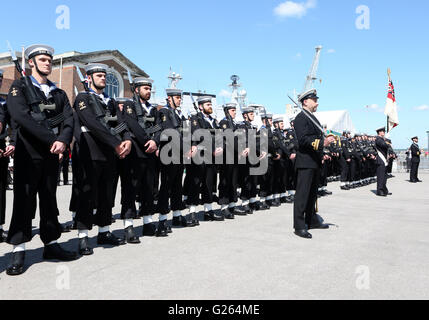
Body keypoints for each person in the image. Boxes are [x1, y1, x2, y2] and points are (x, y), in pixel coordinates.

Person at [5, 44, 77, 276]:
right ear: (31, 63)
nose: (47, 63)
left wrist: (63, 140)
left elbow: (69, 118)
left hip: (52, 155)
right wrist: (51, 139)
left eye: (49, 59)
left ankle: (51, 243)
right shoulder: (19, 87)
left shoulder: (58, 92)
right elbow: (20, 117)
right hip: (28, 153)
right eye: (42, 59)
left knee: (49, 200)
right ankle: (18, 249)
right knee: (24, 202)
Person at [72, 63, 132, 255]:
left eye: (104, 76)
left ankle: (104, 231)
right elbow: (92, 123)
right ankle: (83, 236)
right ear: (89, 78)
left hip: (110, 151)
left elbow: (121, 122)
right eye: (99, 75)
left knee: (107, 193)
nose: (103, 78)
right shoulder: (83, 98)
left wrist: (127, 140)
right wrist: (116, 142)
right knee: (87, 193)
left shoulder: (110, 101)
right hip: (91, 149)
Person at [293, 89, 335, 239]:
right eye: (314, 100)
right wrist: (323, 142)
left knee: (312, 195)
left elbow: (316, 137)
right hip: (305, 162)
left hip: (315, 161)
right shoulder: (300, 118)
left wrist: (323, 148)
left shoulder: (313, 118)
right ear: (305, 101)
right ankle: (299, 226)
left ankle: (311, 220)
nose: (317, 102)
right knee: (302, 195)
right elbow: (303, 140)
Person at [156, 88, 195, 235]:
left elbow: (186, 132)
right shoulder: (164, 112)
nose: (179, 100)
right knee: (166, 186)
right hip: (169, 153)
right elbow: (169, 132)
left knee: (177, 185)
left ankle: (177, 215)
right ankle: (162, 219)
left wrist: (190, 145)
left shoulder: (179, 114)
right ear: (169, 98)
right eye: (177, 97)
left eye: (180, 98)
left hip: (179, 155)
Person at [187, 96, 224, 221]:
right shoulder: (195, 119)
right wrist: (213, 148)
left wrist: (221, 148)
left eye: (210, 104)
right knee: (195, 184)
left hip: (212, 157)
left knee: (209, 184)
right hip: (200, 156)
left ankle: (208, 211)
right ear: (201, 106)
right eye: (207, 104)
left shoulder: (214, 121)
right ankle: (192, 213)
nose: (210, 106)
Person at [0, 69, 15, 242]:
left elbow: (14, 125)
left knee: (1, 190)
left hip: (2, 149)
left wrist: (13, 144)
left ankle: (0, 227)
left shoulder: (4, 103)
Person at [374, 127, 391, 196]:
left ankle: (384, 190)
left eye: (384, 131)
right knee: (381, 176)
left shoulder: (382, 139)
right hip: (381, 160)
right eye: (383, 131)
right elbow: (384, 145)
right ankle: (379, 191)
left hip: (384, 160)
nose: (384, 133)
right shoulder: (378, 139)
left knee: (384, 177)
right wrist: (388, 143)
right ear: (379, 132)